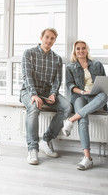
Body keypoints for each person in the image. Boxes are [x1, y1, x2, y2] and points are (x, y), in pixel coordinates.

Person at [20, 28, 73, 165]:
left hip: (47, 93)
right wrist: (33, 94)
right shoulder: (29, 53)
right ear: (41, 37)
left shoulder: (57, 59)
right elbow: (27, 76)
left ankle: (46, 140)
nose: (49, 40)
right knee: (33, 107)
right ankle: (32, 149)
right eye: (47, 37)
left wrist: (53, 93)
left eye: (52, 38)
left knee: (67, 107)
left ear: (55, 40)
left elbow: (57, 80)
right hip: (28, 90)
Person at [63, 40, 108, 170]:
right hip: (79, 96)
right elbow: (70, 86)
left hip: (95, 97)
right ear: (75, 51)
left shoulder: (97, 65)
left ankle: (70, 120)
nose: (81, 51)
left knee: (104, 96)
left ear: (87, 50)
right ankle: (87, 158)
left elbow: (104, 83)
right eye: (78, 48)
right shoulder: (70, 68)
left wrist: (94, 91)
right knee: (83, 119)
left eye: (83, 48)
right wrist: (83, 91)